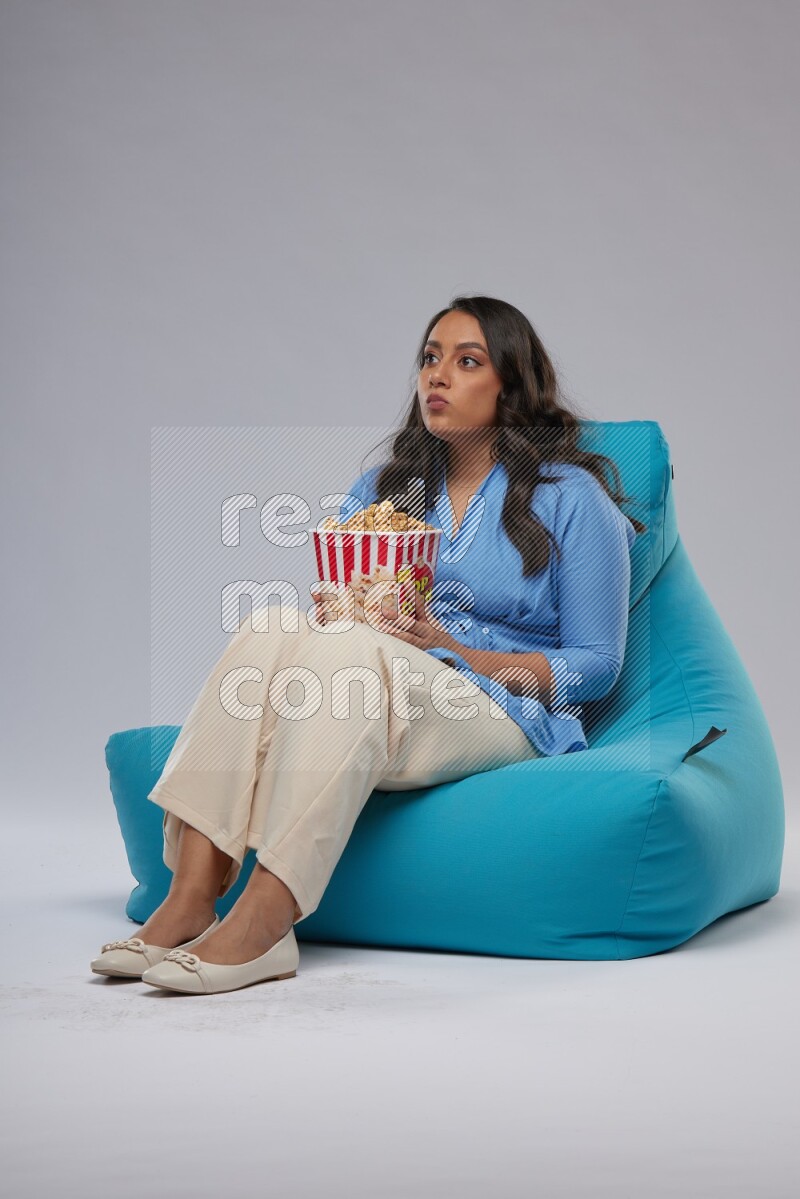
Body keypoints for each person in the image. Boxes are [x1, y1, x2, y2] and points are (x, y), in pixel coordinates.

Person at [91, 295, 646, 995]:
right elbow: (340, 612)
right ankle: (191, 892)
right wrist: (342, 611)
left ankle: (268, 916)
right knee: (272, 625)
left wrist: (458, 652)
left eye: (466, 361)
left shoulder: (574, 497)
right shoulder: (386, 489)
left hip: (503, 708)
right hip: (379, 681)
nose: (437, 376)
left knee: (348, 656)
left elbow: (598, 667)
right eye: (429, 358)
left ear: (509, 385)